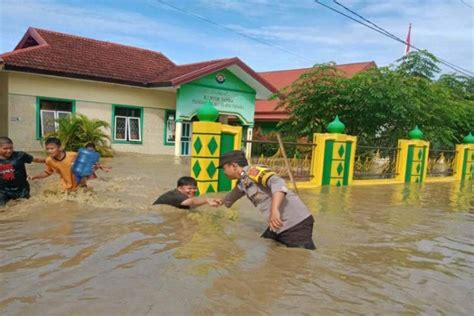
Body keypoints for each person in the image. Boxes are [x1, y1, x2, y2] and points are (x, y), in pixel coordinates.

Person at [217, 150, 316, 250]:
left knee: (299, 258)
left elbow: (278, 183)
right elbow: (230, 198)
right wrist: (220, 201)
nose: (224, 172)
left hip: (296, 224)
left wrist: (274, 210)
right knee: (268, 250)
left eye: (224, 168)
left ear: (233, 166)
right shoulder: (242, 182)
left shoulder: (254, 171)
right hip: (276, 225)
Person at [0, 137, 46, 207]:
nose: (9, 151)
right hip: (3, 191)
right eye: (5, 149)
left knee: (25, 208)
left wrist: (53, 161)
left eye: (11, 148)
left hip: (22, 190)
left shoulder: (20, 155)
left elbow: (36, 159)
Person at [153, 176, 221, 209]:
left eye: (195, 188)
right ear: (179, 188)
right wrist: (207, 200)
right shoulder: (177, 196)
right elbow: (191, 202)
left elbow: (193, 203)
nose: (193, 191)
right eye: (189, 188)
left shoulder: (181, 194)